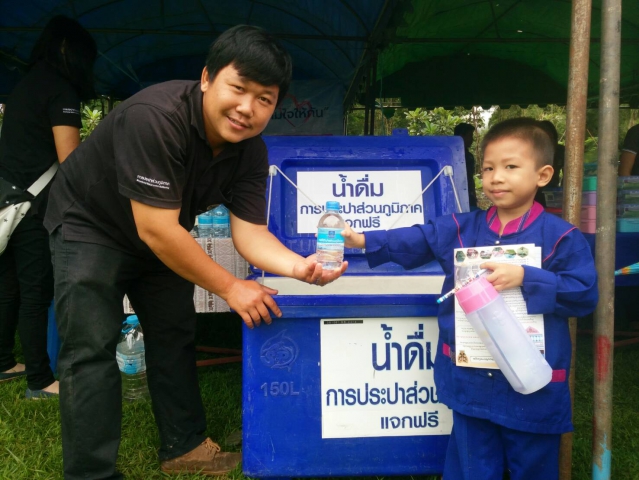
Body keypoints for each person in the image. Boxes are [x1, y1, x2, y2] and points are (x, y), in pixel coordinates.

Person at [44, 25, 347, 479]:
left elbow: (250, 233)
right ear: (207, 78)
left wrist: (298, 267)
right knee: (90, 347)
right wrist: (231, 288)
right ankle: (91, 473)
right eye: (238, 88)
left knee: (174, 333)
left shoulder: (250, 152)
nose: (246, 108)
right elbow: (156, 230)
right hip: (90, 224)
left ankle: (184, 447)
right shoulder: (155, 117)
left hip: (162, 236)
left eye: (264, 99)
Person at [342, 117, 598, 480]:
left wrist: (526, 277)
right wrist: (363, 240)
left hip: (532, 385)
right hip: (472, 378)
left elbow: (583, 293)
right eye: (488, 168)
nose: (496, 177)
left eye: (510, 167)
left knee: (533, 465)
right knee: (472, 465)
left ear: (542, 175)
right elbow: (419, 237)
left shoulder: (560, 237)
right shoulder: (463, 228)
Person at [0, 16, 96, 398]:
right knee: (35, 293)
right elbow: (71, 161)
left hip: (6, 203)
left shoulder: (25, 85)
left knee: (8, 287)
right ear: (68, 51)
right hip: (33, 207)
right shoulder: (60, 89)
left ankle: (4, 361)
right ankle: (39, 379)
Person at [454, 122, 478, 210]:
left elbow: (470, 178)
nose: (472, 139)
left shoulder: (468, 156)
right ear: (461, 136)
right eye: (470, 136)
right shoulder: (454, 155)